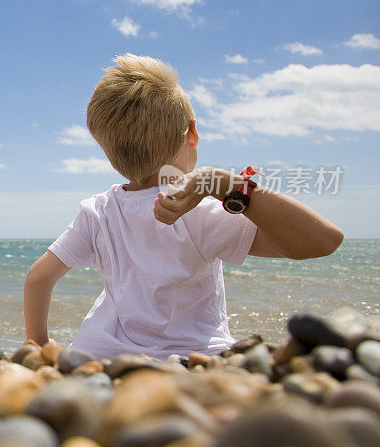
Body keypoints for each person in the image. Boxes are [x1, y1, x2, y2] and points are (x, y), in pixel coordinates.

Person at [24, 55, 343, 359]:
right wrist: (226, 184)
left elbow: (39, 278)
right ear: (192, 132)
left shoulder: (98, 211)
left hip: (100, 354)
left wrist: (38, 346)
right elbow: (323, 241)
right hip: (191, 358)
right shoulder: (198, 210)